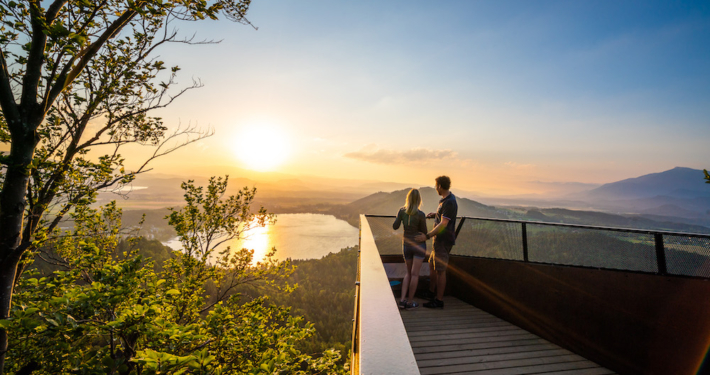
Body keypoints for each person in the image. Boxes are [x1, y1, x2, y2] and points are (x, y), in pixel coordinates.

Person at [415, 176, 457, 309]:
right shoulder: (445, 200)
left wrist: (426, 236)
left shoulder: (449, 202)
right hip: (438, 240)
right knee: (432, 265)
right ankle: (431, 292)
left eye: (436, 186)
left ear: (439, 186)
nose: (435, 188)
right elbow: (443, 218)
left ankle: (439, 301)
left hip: (443, 241)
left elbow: (444, 224)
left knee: (440, 270)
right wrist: (436, 215)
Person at [392, 188, 428, 309]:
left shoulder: (402, 212)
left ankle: (402, 300)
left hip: (406, 246)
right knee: (415, 275)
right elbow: (425, 233)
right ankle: (410, 302)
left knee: (408, 273)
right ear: (418, 200)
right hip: (418, 246)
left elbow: (395, 226)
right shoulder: (421, 215)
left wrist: (399, 216)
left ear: (407, 199)